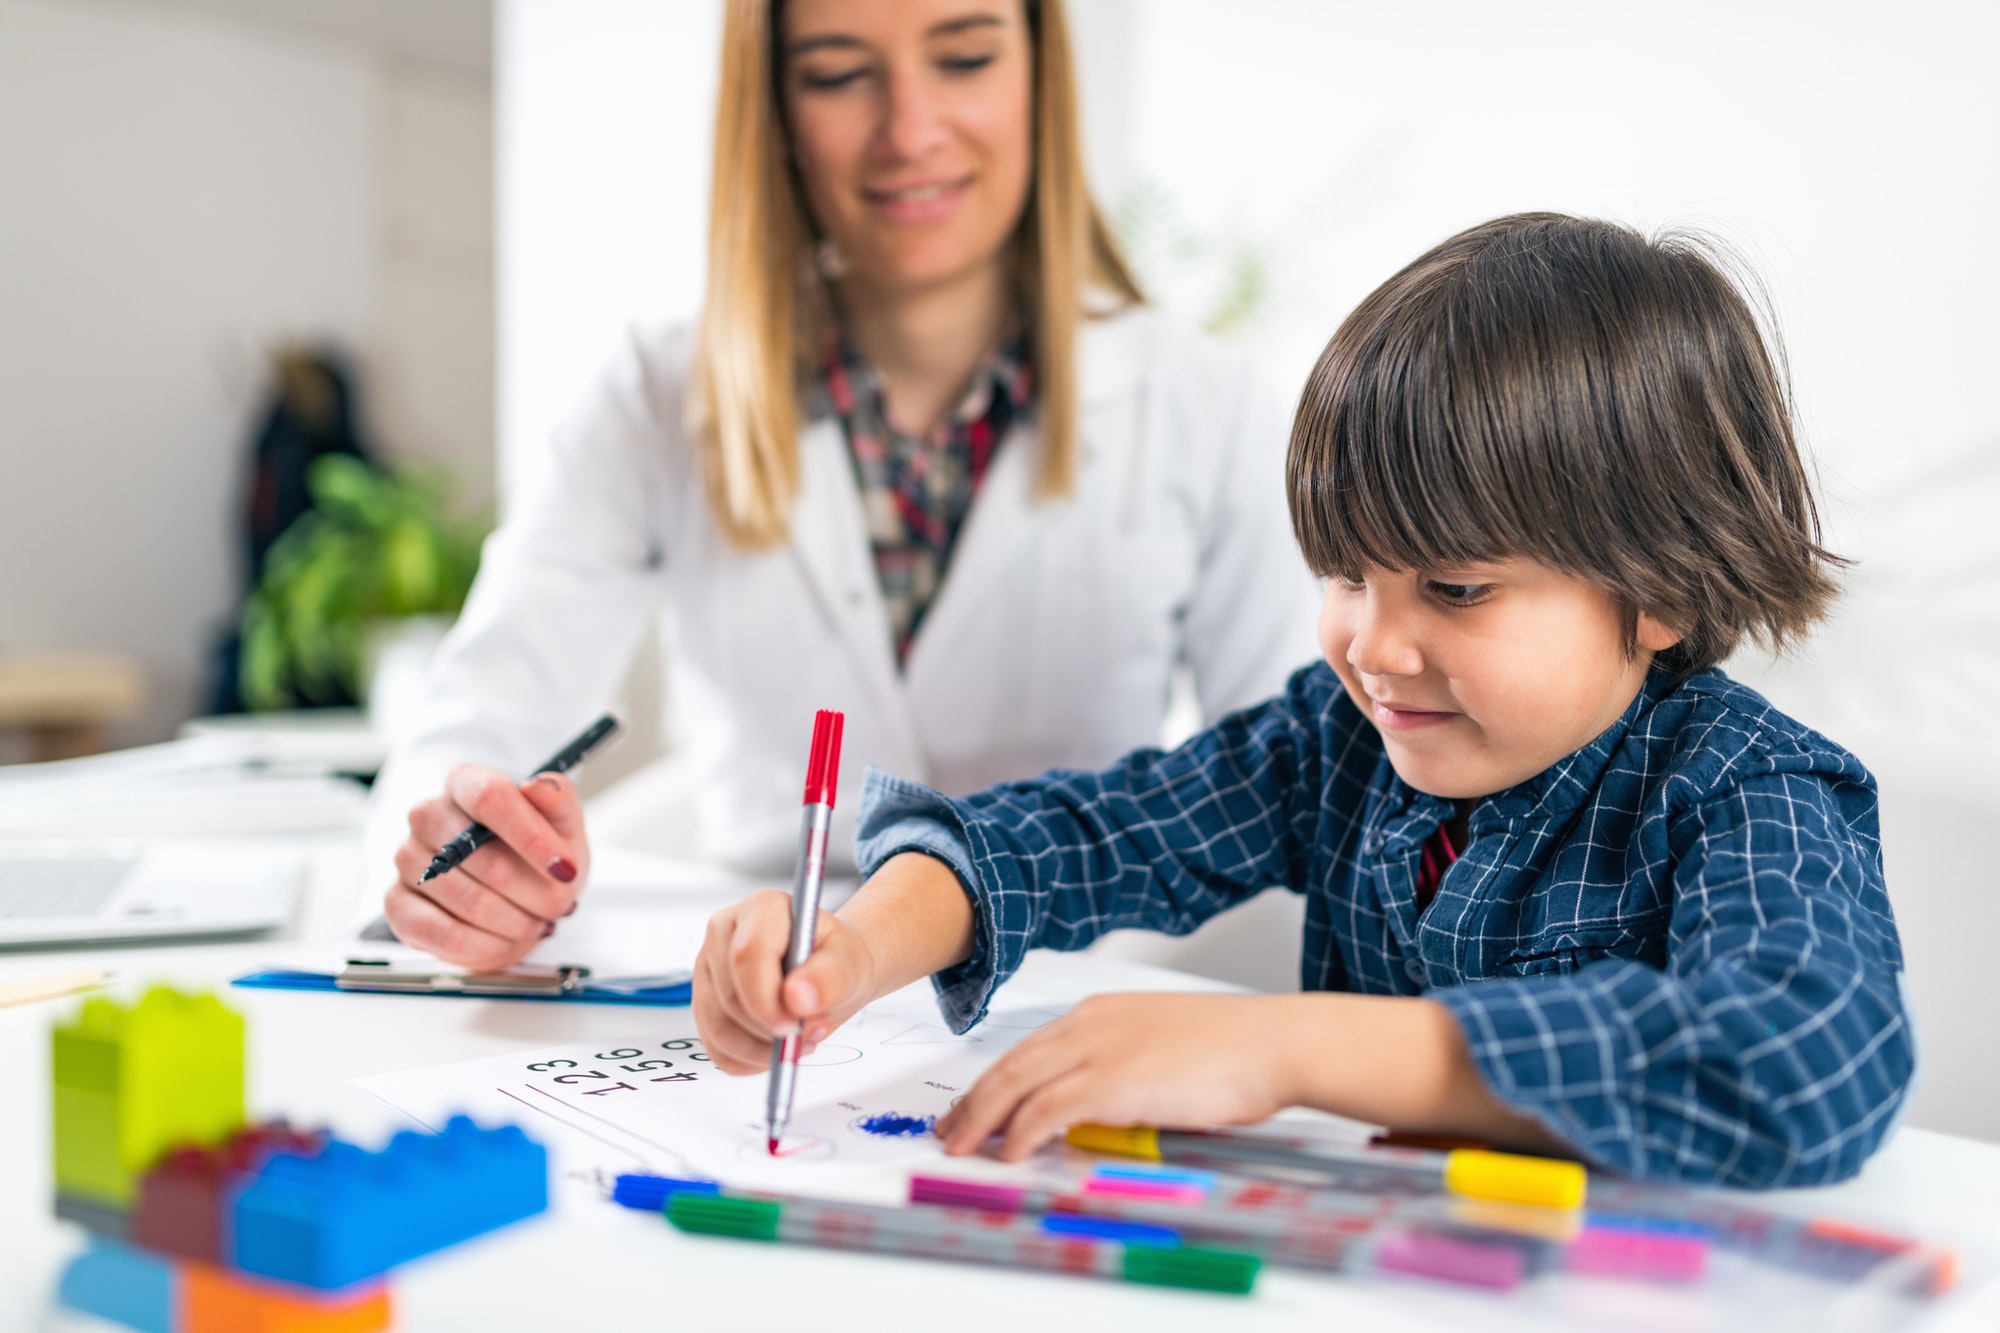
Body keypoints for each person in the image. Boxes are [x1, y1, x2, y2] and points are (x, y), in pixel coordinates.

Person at [692, 213, 1915, 1188]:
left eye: (1453, 585)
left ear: (1659, 591)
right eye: (1342, 572)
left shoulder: (1742, 788)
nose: (1372, 646)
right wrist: (853, 946)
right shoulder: (1340, 742)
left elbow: (1805, 1058)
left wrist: (1285, 1046)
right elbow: (1088, 836)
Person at [370, 0, 1316, 970]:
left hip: (1071, 996)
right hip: (751, 1002)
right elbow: (476, 723)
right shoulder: (655, 394)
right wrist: (462, 848)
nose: (909, 130)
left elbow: (1307, 791)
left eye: (962, 58)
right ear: (774, 109)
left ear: (1039, 75)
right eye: (835, 73)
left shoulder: (1207, 404)